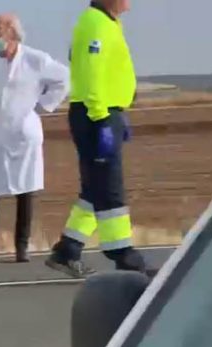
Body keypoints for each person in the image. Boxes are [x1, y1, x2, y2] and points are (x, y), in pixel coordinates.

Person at [45, 0, 154, 278]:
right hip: (97, 115)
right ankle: (124, 255)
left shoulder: (107, 22)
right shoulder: (96, 23)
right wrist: (101, 117)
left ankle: (67, 250)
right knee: (109, 187)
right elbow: (91, 73)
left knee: (95, 188)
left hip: (105, 112)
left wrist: (116, 113)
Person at [0, 14, 69, 265]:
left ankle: (22, 247)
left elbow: (64, 79)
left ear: (11, 31)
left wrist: (43, 105)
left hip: (24, 134)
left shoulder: (35, 59)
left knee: (25, 190)